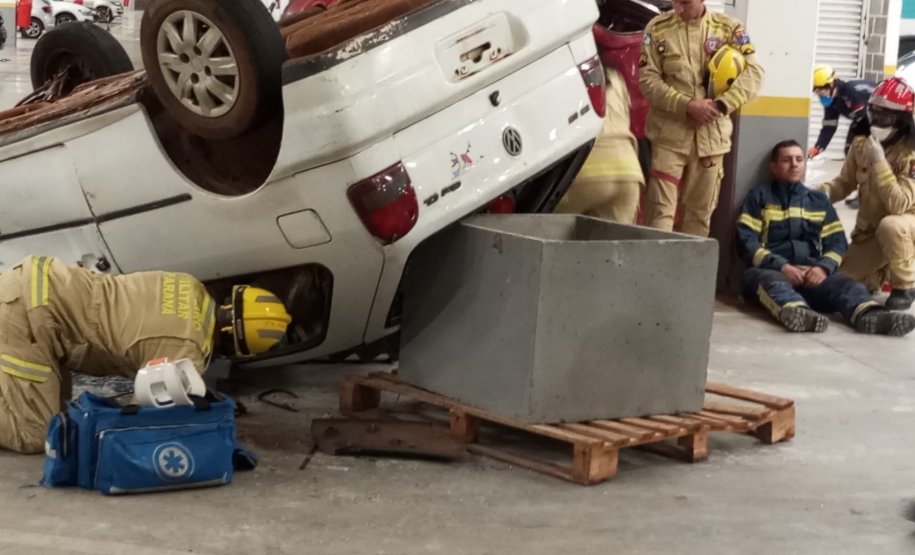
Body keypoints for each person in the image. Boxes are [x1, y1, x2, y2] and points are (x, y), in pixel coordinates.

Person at [0, 256, 292, 453]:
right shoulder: (186, 351)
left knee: (60, 418)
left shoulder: (191, 285)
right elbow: (134, 417)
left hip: (38, 284)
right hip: (30, 318)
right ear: (236, 346)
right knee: (38, 434)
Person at [737, 140, 915, 335]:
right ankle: (797, 312)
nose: (794, 164)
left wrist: (823, 268)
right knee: (772, 283)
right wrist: (781, 266)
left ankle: (871, 315)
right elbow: (746, 242)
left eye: (799, 159)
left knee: (848, 285)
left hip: (811, 275)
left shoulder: (818, 200)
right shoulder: (759, 196)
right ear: (774, 167)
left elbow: (837, 242)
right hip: (769, 272)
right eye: (787, 160)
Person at [639, 0, 764, 237]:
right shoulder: (656, 28)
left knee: (698, 217)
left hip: (711, 141)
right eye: (675, 2)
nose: (678, 8)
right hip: (668, 139)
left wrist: (719, 106)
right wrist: (687, 106)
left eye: (685, 3)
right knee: (659, 216)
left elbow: (754, 73)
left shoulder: (729, 29)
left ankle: (689, 274)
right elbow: (648, 80)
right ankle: (654, 273)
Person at [818, 77, 915, 310]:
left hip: (905, 228)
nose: (877, 122)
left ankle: (905, 285)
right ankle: (879, 275)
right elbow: (844, 183)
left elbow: (899, 205)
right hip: (869, 233)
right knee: (839, 283)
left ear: (901, 120)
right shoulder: (861, 145)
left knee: (891, 226)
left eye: (885, 117)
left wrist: (880, 162)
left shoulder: (910, 153)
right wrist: (816, 195)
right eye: (874, 114)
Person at [556, 66, 643, 224]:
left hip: (586, 172)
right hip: (628, 172)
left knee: (544, 228)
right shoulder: (616, 76)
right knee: (615, 247)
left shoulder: (565, 75)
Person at [808, 65, 876, 160]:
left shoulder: (852, 91)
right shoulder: (833, 102)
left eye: (820, 90)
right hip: (863, 120)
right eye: (815, 91)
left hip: (881, 119)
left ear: (831, 84)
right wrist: (818, 147)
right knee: (850, 150)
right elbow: (829, 127)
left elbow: (866, 118)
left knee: (867, 151)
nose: (819, 94)